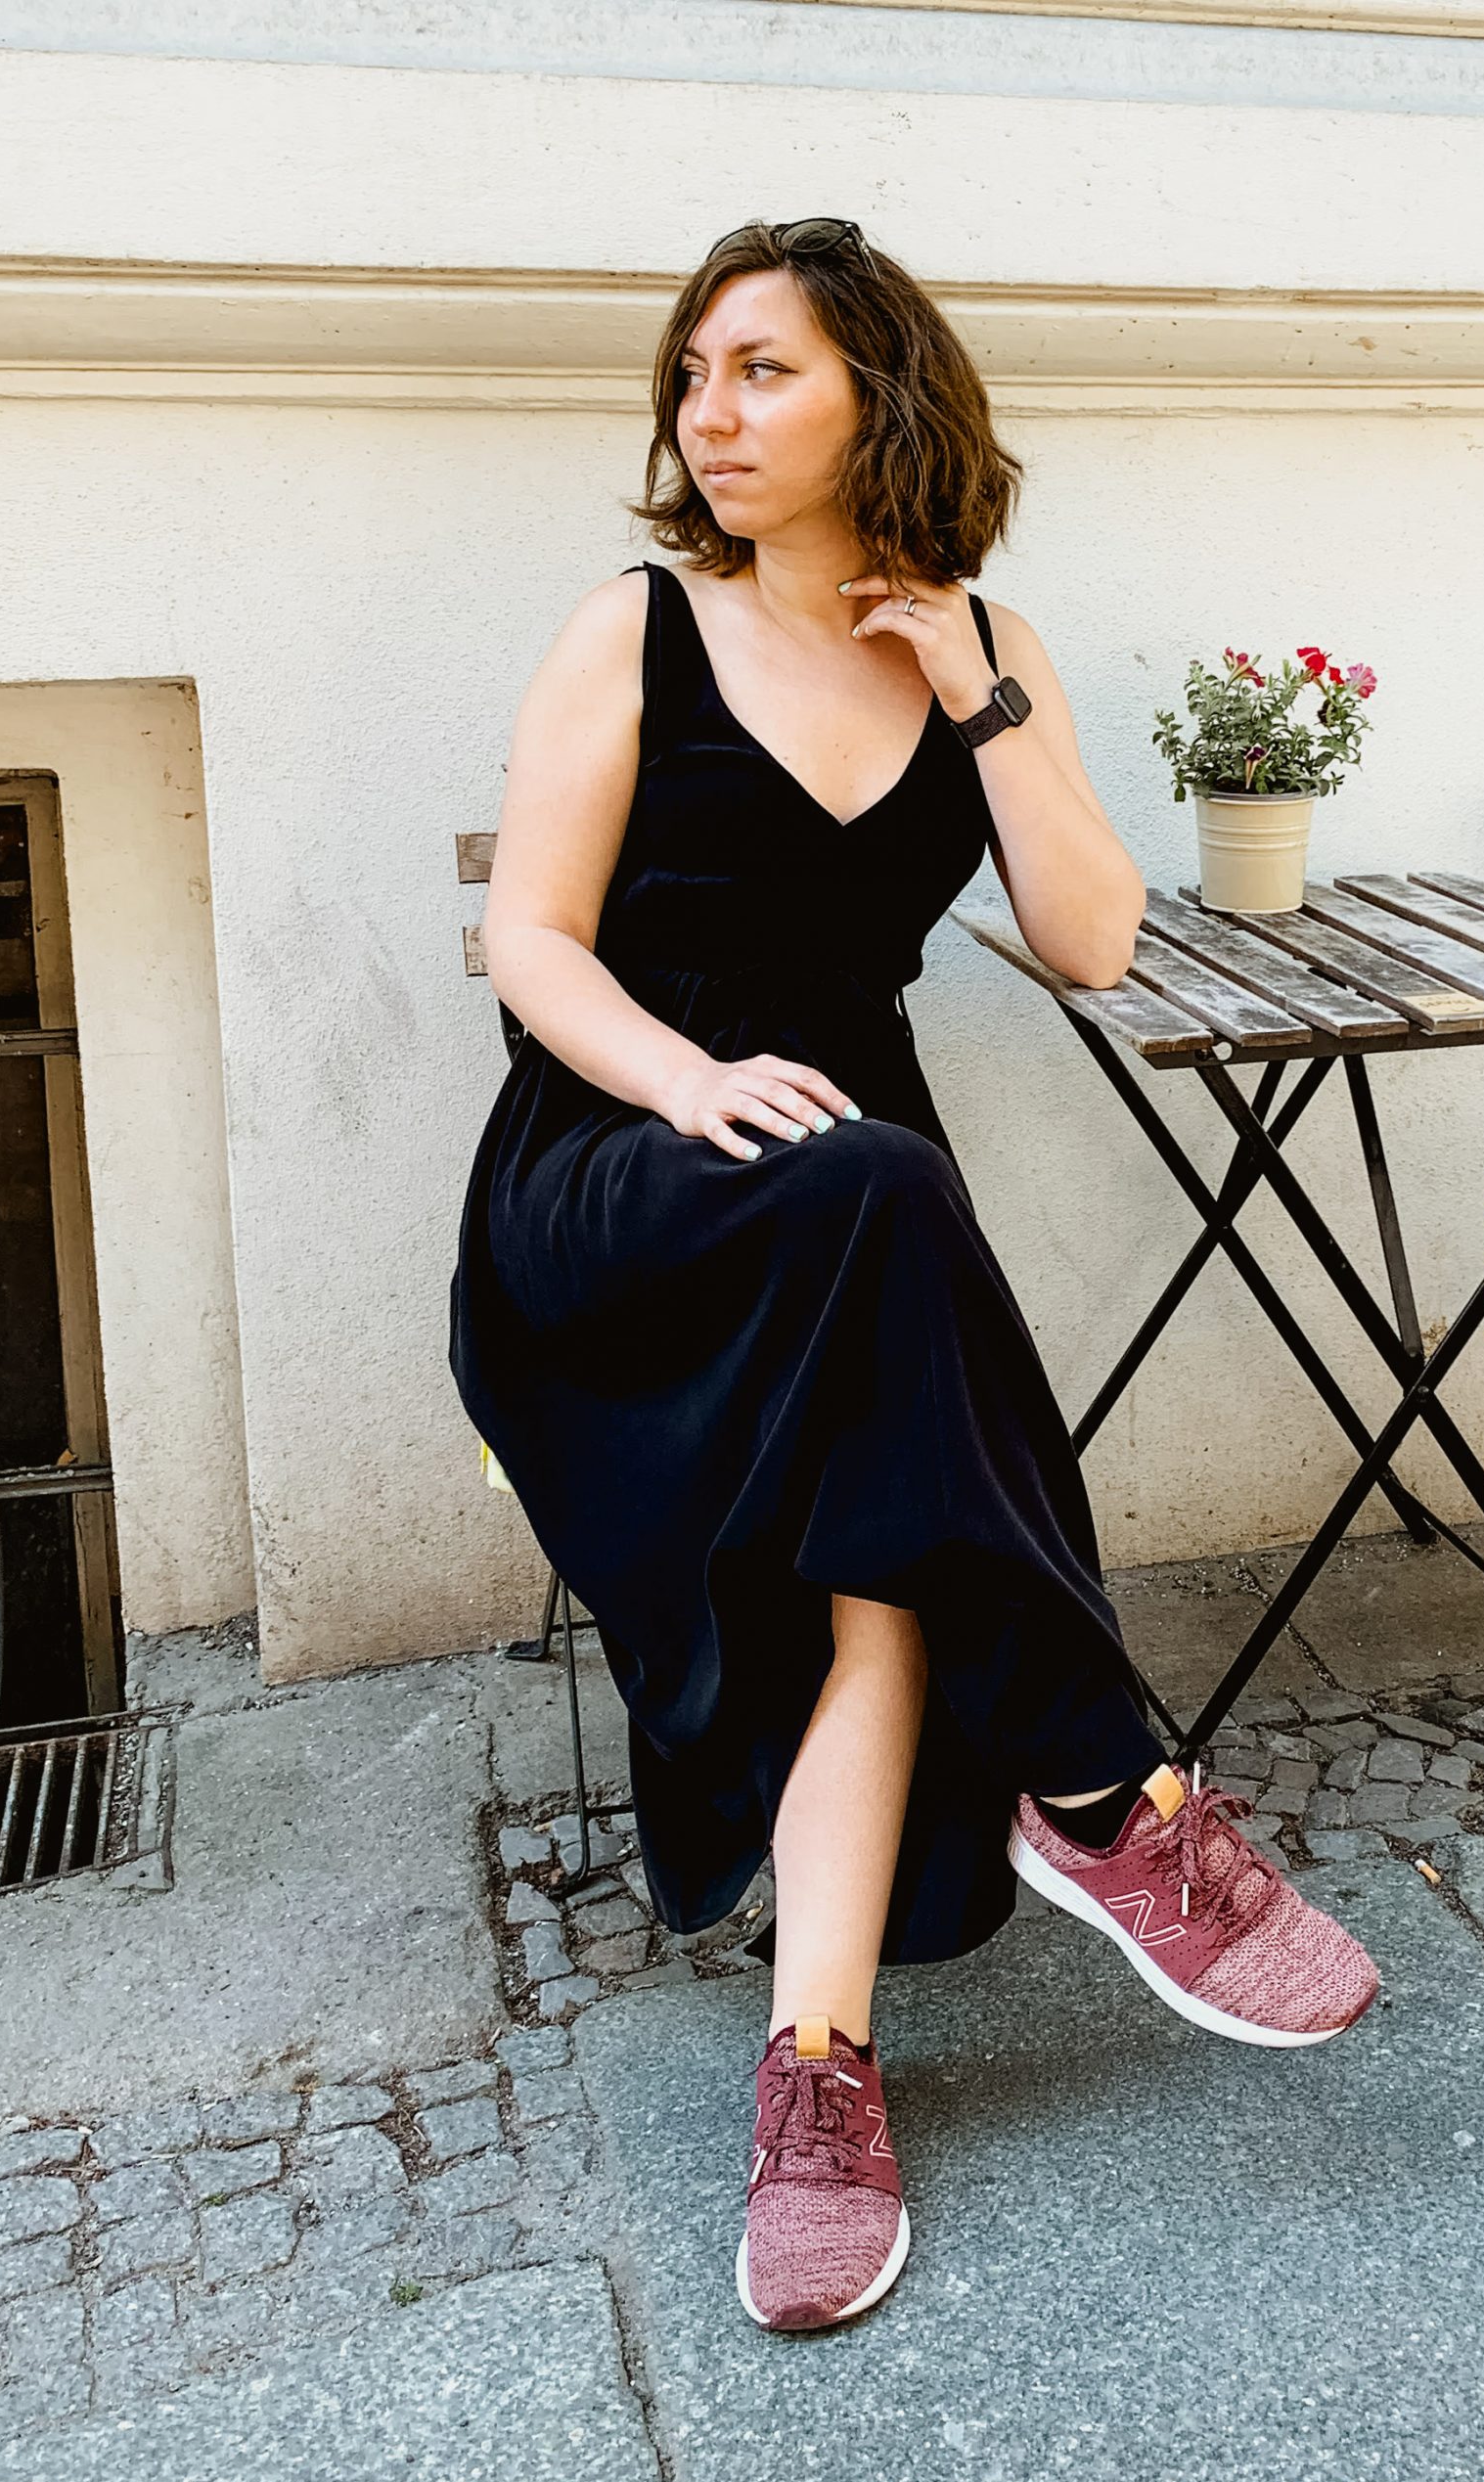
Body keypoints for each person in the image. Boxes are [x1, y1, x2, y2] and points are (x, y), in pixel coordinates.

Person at [447, 215, 1378, 2336]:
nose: (713, 410)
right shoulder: (636, 625)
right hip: (625, 1171)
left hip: (861, 1213)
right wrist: (691, 1084)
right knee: (868, 1187)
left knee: (881, 1559)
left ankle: (819, 2078)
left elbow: (1092, 935)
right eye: (695, 373)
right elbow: (527, 942)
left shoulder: (977, 641)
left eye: (763, 369)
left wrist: (982, 691)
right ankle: (1099, 1787)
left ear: (883, 390)